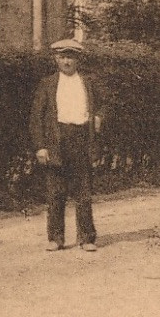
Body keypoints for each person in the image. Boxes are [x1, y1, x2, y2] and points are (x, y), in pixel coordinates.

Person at [29, 38, 104, 252]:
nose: (66, 62)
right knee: (55, 193)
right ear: (56, 59)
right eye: (62, 57)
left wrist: (99, 117)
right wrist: (40, 146)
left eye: (70, 57)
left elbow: (104, 106)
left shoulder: (88, 82)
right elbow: (36, 118)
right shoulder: (48, 84)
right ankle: (56, 238)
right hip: (56, 140)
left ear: (78, 59)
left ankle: (87, 238)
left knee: (83, 192)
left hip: (81, 139)